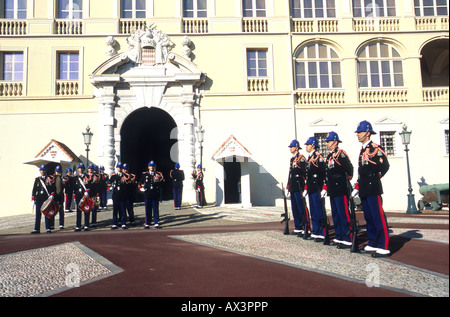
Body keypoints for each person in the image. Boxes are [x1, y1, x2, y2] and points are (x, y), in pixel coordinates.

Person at [353, 120, 390, 258]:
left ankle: (383, 245)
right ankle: (373, 241)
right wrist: (357, 187)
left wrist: (374, 178)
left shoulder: (375, 148)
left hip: (373, 187)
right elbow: (361, 171)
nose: (357, 135)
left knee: (377, 216)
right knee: (368, 217)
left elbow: (384, 166)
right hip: (364, 187)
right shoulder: (363, 150)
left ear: (367, 133)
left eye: (360, 132)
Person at [322, 132, 354, 248]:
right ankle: (339, 236)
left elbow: (349, 170)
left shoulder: (341, 154)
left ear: (335, 142)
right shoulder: (330, 156)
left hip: (340, 187)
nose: (327, 144)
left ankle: (347, 238)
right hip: (332, 188)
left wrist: (344, 181)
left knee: (343, 213)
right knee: (335, 214)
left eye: (329, 142)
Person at [304, 137, 326, 242]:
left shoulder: (318, 157)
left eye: (308, 145)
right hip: (311, 186)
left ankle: (322, 232)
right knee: (313, 210)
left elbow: (324, 172)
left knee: (319, 210)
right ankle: (316, 231)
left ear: (313, 145)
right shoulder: (310, 157)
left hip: (317, 186)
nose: (306, 147)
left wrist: (324, 187)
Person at [287, 140, 308, 235]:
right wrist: (288, 186)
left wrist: (305, 186)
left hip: (299, 185)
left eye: (291, 147)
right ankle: (297, 226)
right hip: (293, 185)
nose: (290, 149)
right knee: (294, 208)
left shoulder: (301, 159)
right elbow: (290, 173)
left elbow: (305, 173)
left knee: (301, 208)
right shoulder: (292, 159)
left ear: (296, 147)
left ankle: (305, 226)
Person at [31, 164, 55, 234]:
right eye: (41, 170)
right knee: (38, 215)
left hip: (46, 199)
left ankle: (48, 228)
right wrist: (33, 199)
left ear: (46, 171)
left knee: (47, 214)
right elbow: (34, 190)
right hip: (38, 199)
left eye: (44, 170)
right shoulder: (37, 180)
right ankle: (36, 229)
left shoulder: (50, 179)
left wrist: (52, 195)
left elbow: (53, 189)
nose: (42, 172)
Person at [140, 161, 164, 229]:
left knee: (155, 209)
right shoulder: (145, 175)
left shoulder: (158, 175)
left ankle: (156, 222)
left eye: (153, 166)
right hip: (147, 194)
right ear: (148, 167)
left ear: (155, 167)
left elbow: (162, 184)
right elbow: (140, 182)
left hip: (155, 193)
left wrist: (158, 180)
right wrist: (141, 188)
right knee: (147, 209)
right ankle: (147, 222)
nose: (151, 168)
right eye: (150, 166)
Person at [108, 162, 128, 230]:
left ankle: (123, 223)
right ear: (116, 168)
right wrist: (109, 187)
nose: (119, 169)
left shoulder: (125, 176)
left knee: (123, 210)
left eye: (120, 168)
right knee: (115, 210)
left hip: (123, 195)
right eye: (118, 167)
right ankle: (114, 223)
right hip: (116, 195)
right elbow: (108, 183)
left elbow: (128, 184)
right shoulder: (114, 176)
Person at [73, 163, 92, 231]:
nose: (80, 170)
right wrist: (74, 196)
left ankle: (86, 225)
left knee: (86, 210)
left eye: (82, 168)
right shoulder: (75, 178)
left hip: (85, 196)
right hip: (78, 196)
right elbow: (74, 188)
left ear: (84, 169)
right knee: (78, 211)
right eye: (79, 168)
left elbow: (89, 185)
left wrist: (87, 191)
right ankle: (78, 225)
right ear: (78, 169)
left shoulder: (87, 176)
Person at [51, 165, 65, 230]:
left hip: (60, 197)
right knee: (52, 211)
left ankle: (61, 224)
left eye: (59, 172)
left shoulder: (62, 179)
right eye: (57, 172)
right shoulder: (52, 178)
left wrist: (65, 183)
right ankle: (52, 224)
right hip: (54, 197)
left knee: (61, 212)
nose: (58, 173)